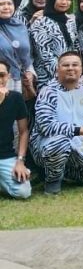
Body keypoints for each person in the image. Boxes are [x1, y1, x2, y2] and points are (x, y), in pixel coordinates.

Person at [30, 51, 83, 195]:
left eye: (75, 65)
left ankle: (65, 172)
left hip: (80, 143)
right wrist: (80, 130)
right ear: (58, 69)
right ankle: (52, 182)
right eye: (66, 65)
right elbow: (46, 126)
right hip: (47, 144)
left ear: (81, 69)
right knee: (61, 142)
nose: (70, 68)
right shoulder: (48, 92)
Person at [0, 58, 31, 199]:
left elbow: (23, 132)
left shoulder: (15, 98)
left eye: (1, 75)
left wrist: (20, 161)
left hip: (5, 156)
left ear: (8, 77)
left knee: (23, 192)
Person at [0, 0, 35, 96]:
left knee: (14, 103)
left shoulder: (20, 26)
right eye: (1, 4)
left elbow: (27, 54)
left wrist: (29, 71)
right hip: (1, 77)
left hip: (17, 79)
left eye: (9, 3)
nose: (6, 7)